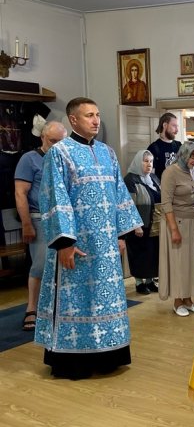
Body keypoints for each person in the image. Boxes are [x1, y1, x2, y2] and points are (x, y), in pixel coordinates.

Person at [35, 97, 142, 380]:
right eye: (88, 115)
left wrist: (122, 234)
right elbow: (55, 198)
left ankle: (107, 357)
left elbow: (118, 193)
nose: (96, 120)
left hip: (106, 245)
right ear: (73, 120)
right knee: (77, 299)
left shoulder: (107, 152)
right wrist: (64, 244)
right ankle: (73, 362)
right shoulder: (60, 153)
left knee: (105, 299)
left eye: (97, 114)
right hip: (77, 244)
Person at [14, 120, 67, 331]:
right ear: (43, 137)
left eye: (61, 141)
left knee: (64, 264)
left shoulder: (65, 157)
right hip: (39, 217)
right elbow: (20, 193)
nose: (57, 145)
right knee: (41, 264)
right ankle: (32, 308)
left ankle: (58, 308)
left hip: (63, 217)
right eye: (53, 141)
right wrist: (26, 224)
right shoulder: (29, 159)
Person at [159, 141, 194, 316]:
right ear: (183, 155)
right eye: (192, 157)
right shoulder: (170, 173)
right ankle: (178, 301)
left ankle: (188, 300)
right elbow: (166, 203)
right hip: (177, 222)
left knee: (193, 262)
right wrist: (174, 230)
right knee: (179, 262)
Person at [123, 149, 161, 295]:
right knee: (139, 254)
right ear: (139, 162)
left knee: (152, 253)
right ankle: (139, 283)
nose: (149, 164)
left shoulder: (153, 178)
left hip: (154, 224)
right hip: (139, 224)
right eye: (145, 161)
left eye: (151, 161)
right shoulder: (130, 179)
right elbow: (129, 205)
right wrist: (136, 225)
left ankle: (150, 281)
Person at [148, 113, 182, 179]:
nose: (177, 130)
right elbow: (151, 176)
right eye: (174, 126)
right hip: (162, 185)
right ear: (165, 125)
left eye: (177, 126)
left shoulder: (179, 145)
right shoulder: (153, 148)